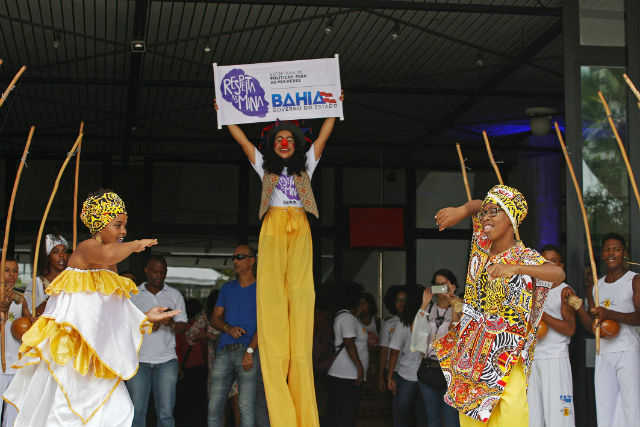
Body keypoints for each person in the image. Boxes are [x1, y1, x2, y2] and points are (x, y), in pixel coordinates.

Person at [3, 189, 179, 426]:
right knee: (68, 413)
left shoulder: (110, 264)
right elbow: (107, 253)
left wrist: (145, 316)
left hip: (98, 354)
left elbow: (113, 310)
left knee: (118, 412)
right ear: (100, 224)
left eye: (125, 226)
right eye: (118, 225)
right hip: (73, 353)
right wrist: (136, 244)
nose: (124, 231)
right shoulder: (86, 249)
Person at [216, 96, 342, 427]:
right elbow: (243, 140)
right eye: (279, 140)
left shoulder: (306, 166)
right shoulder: (264, 167)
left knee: (300, 288)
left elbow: (325, 137)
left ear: (296, 146)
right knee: (272, 288)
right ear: (272, 147)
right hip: (272, 225)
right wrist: (226, 114)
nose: (284, 143)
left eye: (289, 140)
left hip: (299, 224)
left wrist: (334, 108)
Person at [433, 185, 565, 427]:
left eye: (495, 211)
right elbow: (476, 205)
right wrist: (462, 210)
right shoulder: (481, 246)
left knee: (512, 418)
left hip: (507, 358)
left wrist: (515, 268)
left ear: (511, 218)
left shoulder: (525, 256)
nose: (486, 217)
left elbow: (557, 273)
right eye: (484, 213)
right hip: (471, 358)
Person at [573, 233, 640, 427]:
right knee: (605, 407)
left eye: (616, 249)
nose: (611, 253)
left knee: (631, 406)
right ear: (602, 254)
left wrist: (610, 313)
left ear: (624, 253)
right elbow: (591, 327)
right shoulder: (595, 287)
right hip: (603, 353)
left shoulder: (633, 281)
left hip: (628, 351)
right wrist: (579, 308)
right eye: (607, 249)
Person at [127, 254, 188, 427]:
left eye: (163, 272)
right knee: (137, 411)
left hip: (166, 360)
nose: (159, 276)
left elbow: (183, 326)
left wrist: (170, 324)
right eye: (155, 272)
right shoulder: (134, 295)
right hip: (138, 361)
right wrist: (146, 324)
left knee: (166, 413)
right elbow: (123, 327)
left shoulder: (174, 295)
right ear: (146, 271)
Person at [208, 245, 263, 427]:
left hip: (248, 352)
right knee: (214, 406)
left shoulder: (262, 289)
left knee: (245, 406)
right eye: (234, 257)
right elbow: (214, 318)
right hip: (224, 350)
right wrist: (228, 328)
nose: (235, 261)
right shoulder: (227, 288)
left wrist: (250, 351)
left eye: (240, 257)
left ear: (251, 261)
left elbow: (265, 326)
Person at [527, 244, 576, 427]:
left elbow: (570, 329)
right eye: (544, 261)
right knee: (534, 415)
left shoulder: (565, 291)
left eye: (553, 260)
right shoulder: (533, 291)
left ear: (561, 266)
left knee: (559, 414)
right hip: (533, 358)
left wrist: (543, 314)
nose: (548, 264)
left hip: (555, 358)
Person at [185, 290, 241, 426]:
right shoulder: (206, 317)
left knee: (237, 407)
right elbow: (189, 335)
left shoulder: (234, 314)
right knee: (221, 409)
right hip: (217, 370)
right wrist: (207, 336)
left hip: (233, 368)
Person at [414, 270, 460, 427]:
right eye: (437, 284)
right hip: (429, 367)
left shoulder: (460, 304)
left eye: (444, 284)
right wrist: (424, 303)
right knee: (432, 419)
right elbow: (415, 334)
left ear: (452, 285)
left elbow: (454, 334)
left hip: (451, 370)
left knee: (451, 418)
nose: (441, 288)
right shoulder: (429, 308)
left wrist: (452, 300)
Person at [324, 283, 368, 427]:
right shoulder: (347, 318)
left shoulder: (347, 317)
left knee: (340, 411)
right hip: (346, 374)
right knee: (346, 413)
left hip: (345, 374)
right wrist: (359, 368)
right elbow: (349, 343)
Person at [387, 285, 425, 427]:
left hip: (406, 375)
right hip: (425, 376)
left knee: (401, 416)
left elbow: (394, 352)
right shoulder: (429, 321)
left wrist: (390, 376)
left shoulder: (403, 323)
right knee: (423, 416)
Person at [0, 256, 27, 427]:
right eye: (7, 270)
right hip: (0, 363)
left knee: (13, 410)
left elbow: (27, 327)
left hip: (16, 362)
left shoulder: (21, 298)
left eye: (15, 270)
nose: (12, 274)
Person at [24, 232, 70, 318]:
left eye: (64, 251)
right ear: (47, 256)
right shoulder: (38, 283)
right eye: (56, 252)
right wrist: (54, 296)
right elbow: (28, 314)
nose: (61, 255)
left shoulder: (72, 280)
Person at [378, 285, 407, 393]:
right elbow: (384, 351)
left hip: (411, 372)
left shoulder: (417, 322)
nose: (401, 303)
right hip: (393, 371)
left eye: (404, 300)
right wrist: (381, 377)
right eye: (398, 300)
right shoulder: (388, 324)